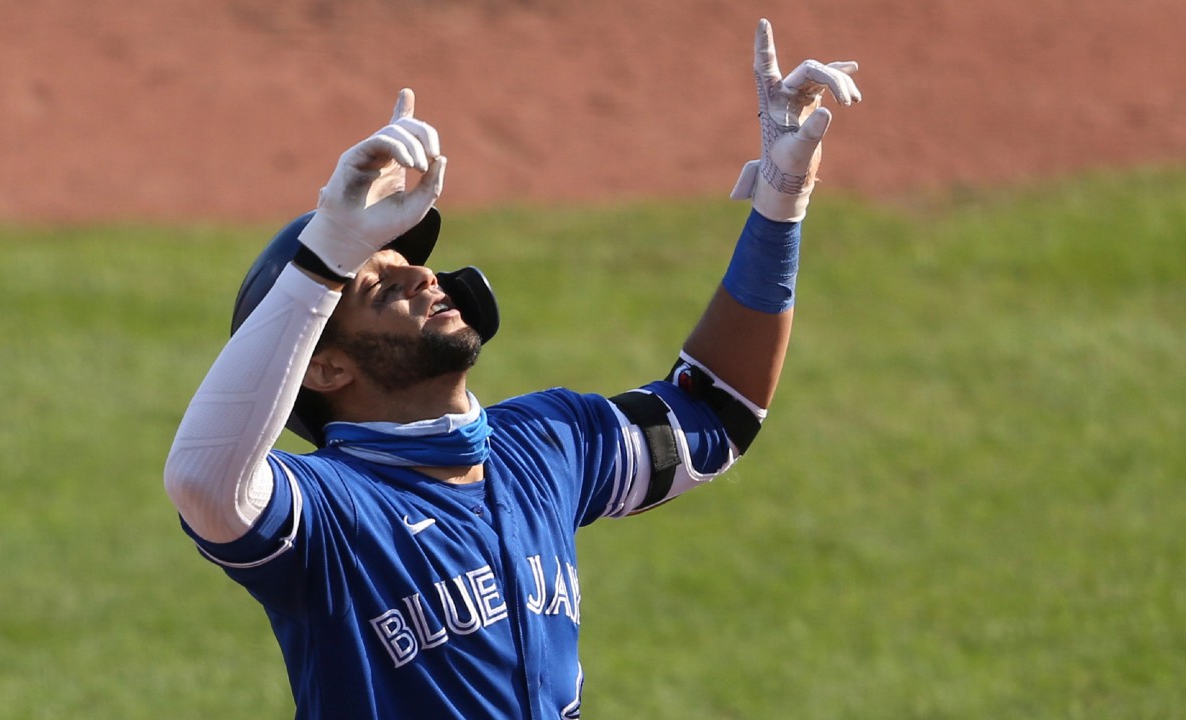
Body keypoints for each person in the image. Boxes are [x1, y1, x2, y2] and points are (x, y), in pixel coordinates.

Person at [164, 18, 860, 720]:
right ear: (324, 367)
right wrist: (327, 253)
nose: (422, 279)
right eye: (377, 286)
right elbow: (203, 482)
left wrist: (780, 198)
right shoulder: (328, 514)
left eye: (412, 264)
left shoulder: (545, 445)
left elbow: (718, 411)